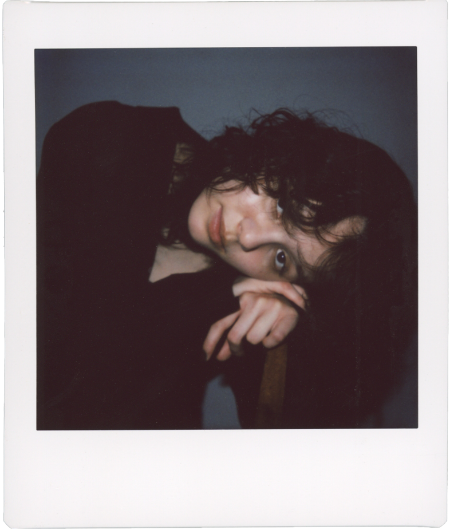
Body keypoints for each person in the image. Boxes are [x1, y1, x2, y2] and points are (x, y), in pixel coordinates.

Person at [37, 101, 417, 430]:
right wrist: (210, 298)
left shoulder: (245, 291)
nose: (249, 238)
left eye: (281, 259)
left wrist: (288, 319)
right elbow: (53, 377)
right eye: (282, 204)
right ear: (279, 153)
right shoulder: (113, 140)